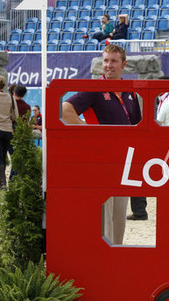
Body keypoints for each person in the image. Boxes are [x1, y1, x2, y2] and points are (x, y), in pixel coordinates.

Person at [61, 44, 142, 244]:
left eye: (113, 61)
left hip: (124, 161)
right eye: (105, 61)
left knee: (119, 216)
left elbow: (138, 124)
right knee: (105, 215)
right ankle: (105, 258)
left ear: (124, 64)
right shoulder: (94, 88)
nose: (108, 65)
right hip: (101, 160)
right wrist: (88, 132)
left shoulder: (130, 91)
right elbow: (64, 109)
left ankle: (117, 257)